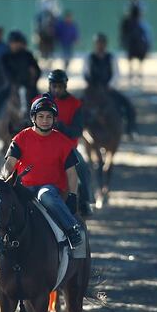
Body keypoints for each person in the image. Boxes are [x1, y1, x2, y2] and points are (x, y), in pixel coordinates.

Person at [0, 94, 84, 269]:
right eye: (41, 117)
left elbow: (72, 174)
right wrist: (3, 180)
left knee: (46, 195)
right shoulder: (21, 138)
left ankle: (71, 230)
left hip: (50, 189)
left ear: (54, 119)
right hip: (23, 187)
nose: (45, 120)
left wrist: (73, 196)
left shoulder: (63, 142)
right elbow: (9, 165)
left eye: (49, 117)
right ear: (33, 118)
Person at [46, 69, 93, 214]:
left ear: (65, 86)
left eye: (60, 86)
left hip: (67, 148)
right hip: (43, 145)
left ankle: (85, 201)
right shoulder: (40, 101)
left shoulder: (75, 104)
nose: (57, 90)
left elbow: (78, 131)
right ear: (50, 86)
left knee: (84, 168)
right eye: (54, 86)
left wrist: (61, 127)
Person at [0, 30, 42, 142]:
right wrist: (16, 81)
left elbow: (37, 70)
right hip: (10, 86)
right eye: (13, 42)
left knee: (43, 103)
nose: (16, 45)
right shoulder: (5, 57)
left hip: (29, 86)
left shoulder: (28, 55)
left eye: (18, 42)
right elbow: (6, 74)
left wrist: (33, 77)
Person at [84, 32, 138, 135]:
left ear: (105, 44)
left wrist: (110, 85)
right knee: (78, 107)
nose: (100, 45)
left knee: (128, 105)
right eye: (98, 43)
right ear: (95, 44)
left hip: (108, 90)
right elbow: (85, 73)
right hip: (93, 91)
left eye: (102, 43)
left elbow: (116, 74)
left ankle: (130, 129)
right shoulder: (89, 58)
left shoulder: (111, 57)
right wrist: (91, 85)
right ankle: (80, 130)